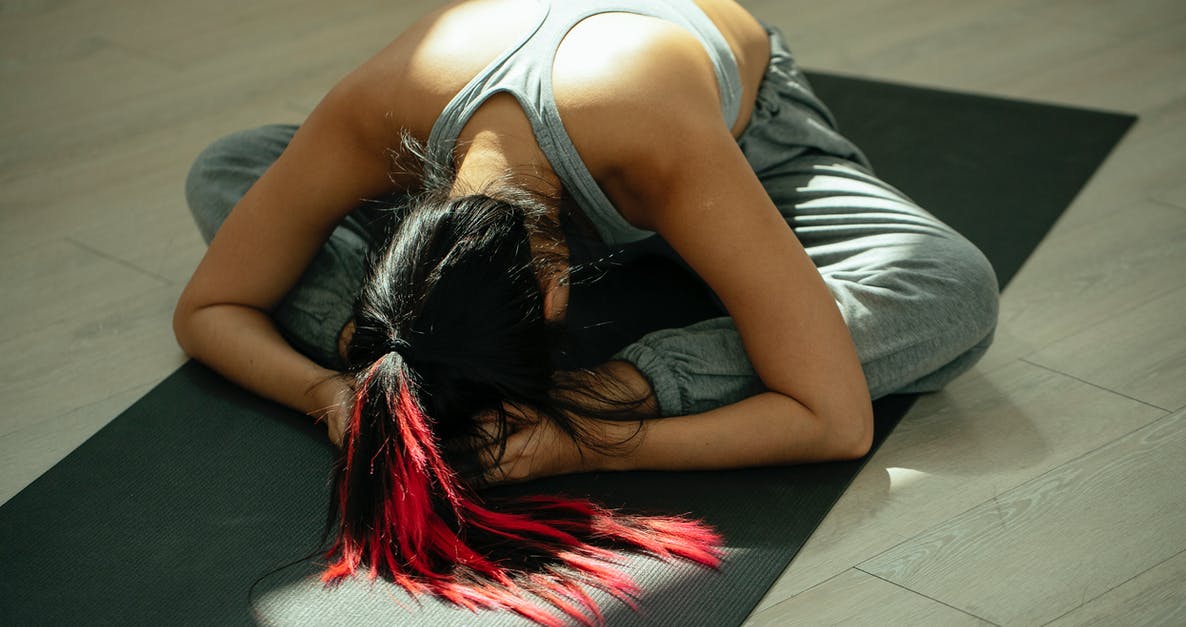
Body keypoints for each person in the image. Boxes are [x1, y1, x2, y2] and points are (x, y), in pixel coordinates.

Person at [176, 0, 999, 622]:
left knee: (949, 288)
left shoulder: (658, 141)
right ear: (411, 232)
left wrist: (589, 430)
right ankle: (405, 352)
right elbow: (209, 304)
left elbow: (834, 418)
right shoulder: (375, 114)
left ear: (559, 277)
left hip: (734, 139)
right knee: (231, 166)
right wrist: (335, 394)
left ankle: (631, 367)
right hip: (555, 130)